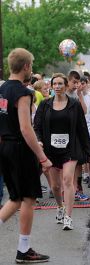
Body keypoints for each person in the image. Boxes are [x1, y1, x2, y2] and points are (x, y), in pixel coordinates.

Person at [0, 48, 51, 263]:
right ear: (27, 67)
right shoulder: (23, 92)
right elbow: (25, 128)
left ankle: (24, 249)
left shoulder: (2, 90)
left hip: (6, 147)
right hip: (20, 148)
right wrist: (42, 156)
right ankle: (23, 250)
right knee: (28, 198)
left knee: (15, 198)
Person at [34, 73, 90, 230]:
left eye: (61, 84)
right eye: (55, 84)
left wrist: (89, 150)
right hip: (51, 149)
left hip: (70, 147)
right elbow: (37, 126)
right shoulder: (45, 104)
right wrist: (39, 140)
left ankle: (68, 216)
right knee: (55, 185)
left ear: (66, 86)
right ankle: (60, 206)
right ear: (51, 86)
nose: (58, 86)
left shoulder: (74, 104)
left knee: (68, 180)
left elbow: (82, 128)